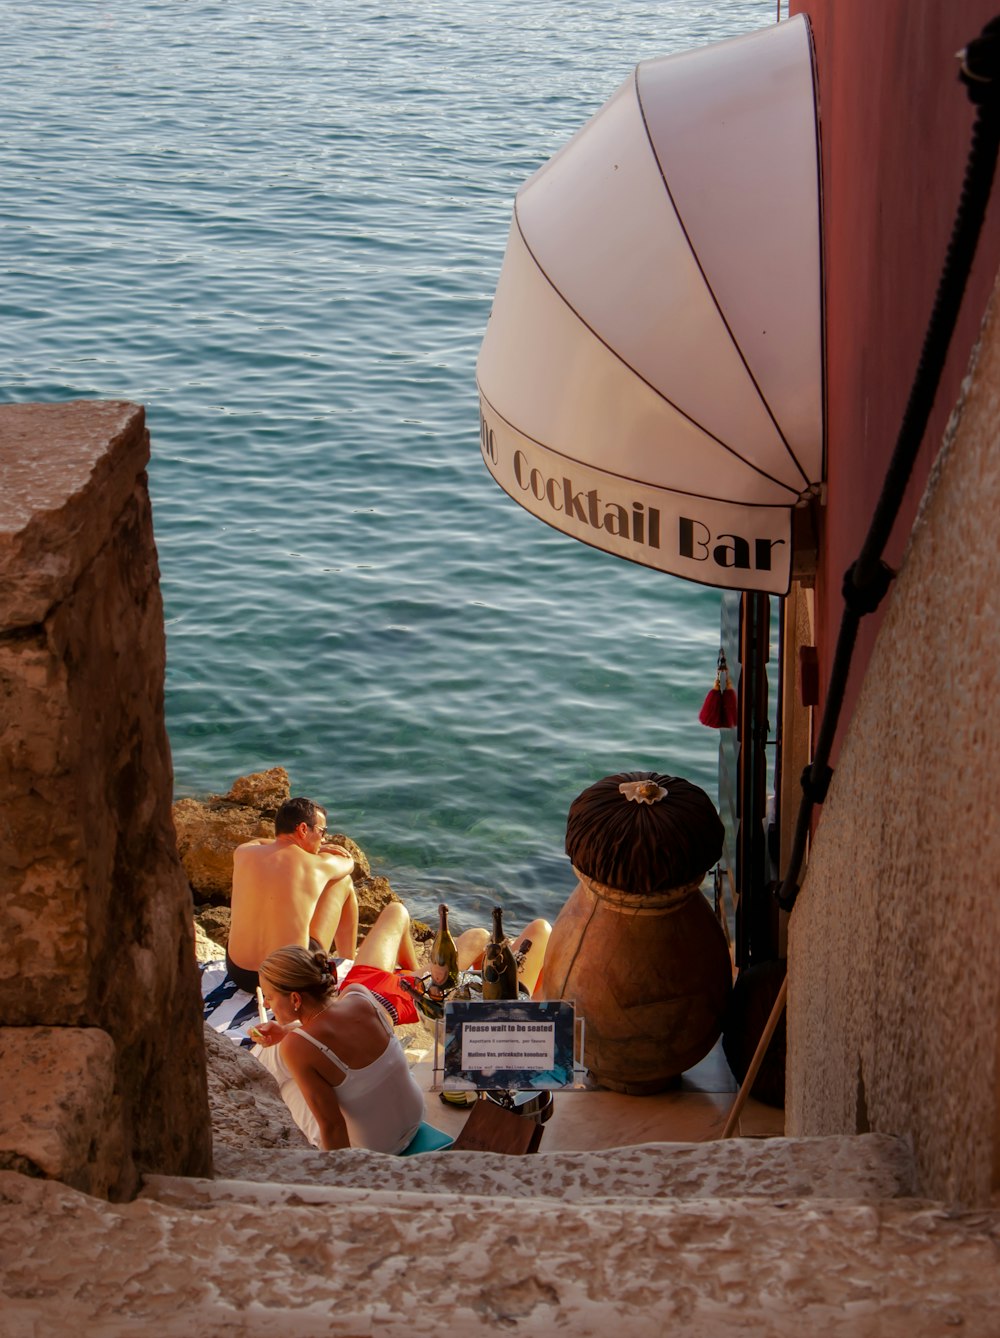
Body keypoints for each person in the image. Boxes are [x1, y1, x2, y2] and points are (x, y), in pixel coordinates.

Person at [252, 901, 552, 1149]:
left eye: (269, 996)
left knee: (274, 1078)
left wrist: (340, 1185)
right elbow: (333, 1031)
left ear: (294, 998)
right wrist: (287, 1030)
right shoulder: (359, 995)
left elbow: (332, 1126)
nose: (266, 1004)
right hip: (414, 1115)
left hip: (376, 1146)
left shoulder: (298, 1046)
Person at [225, 796, 359, 993]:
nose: (323, 839)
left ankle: (346, 962)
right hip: (287, 980)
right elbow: (349, 864)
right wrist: (319, 851)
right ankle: (348, 962)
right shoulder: (316, 865)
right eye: (322, 832)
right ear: (303, 829)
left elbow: (259, 842)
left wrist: (303, 845)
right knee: (343, 882)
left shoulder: (243, 853)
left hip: (240, 974)